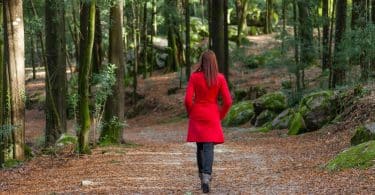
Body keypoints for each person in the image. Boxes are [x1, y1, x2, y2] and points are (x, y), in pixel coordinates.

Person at [184, 50, 232, 193]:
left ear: (202, 61)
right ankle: (206, 176)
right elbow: (228, 101)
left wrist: (191, 112)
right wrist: (220, 116)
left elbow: (187, 100)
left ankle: (201, 176)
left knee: (200, 146)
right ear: (214, 62)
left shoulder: (194, 77)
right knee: (209, 146)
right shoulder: (220, 78)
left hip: (198, 113)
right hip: (212, 114)